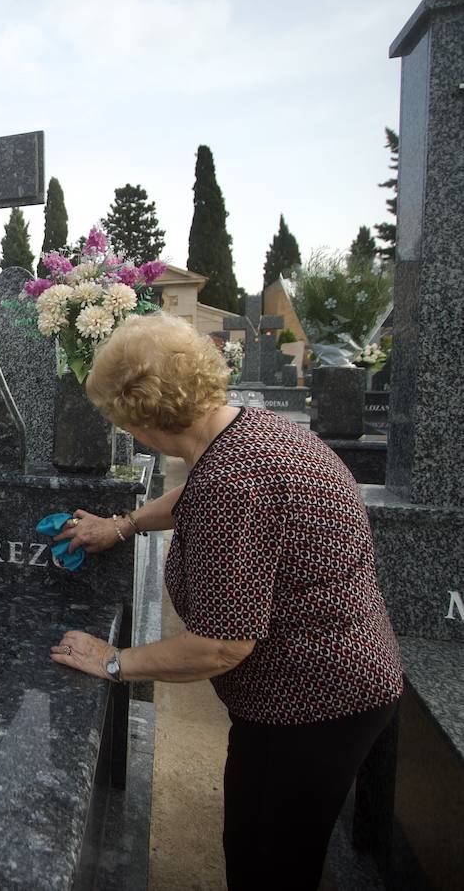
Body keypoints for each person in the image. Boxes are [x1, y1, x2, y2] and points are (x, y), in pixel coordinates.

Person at [48, 312, 401, 890]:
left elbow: (220, 647)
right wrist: (124, 523)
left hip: (310, 699)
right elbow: (192, 490)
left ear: (141, 417)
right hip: (337, 674)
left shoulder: (233, 485)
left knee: (267, 862)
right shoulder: (244, 431)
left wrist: (113, 661)